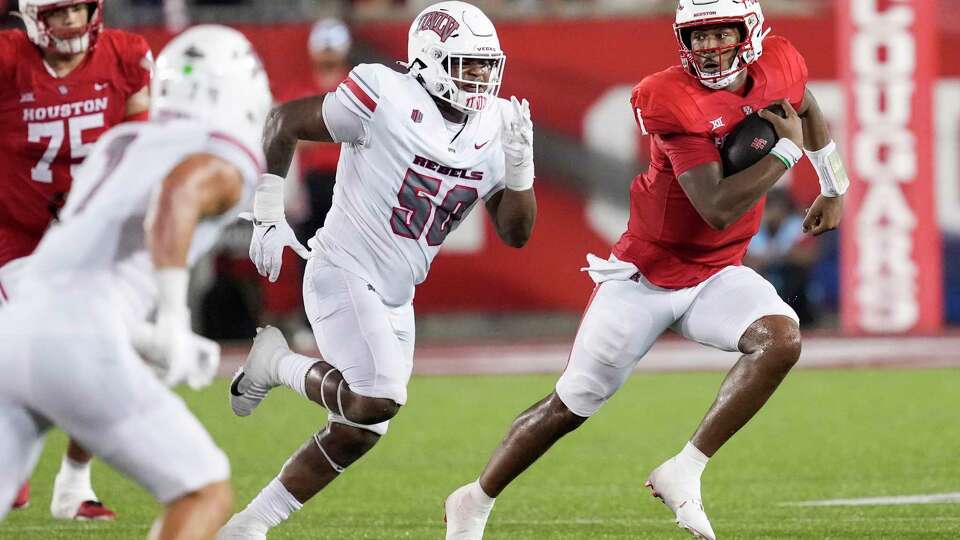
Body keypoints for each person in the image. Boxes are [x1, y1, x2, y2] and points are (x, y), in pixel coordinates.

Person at [444, 0, 848, 539]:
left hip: (717, 272)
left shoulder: (778, 62)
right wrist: (788, 157)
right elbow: (717, 206)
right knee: (572, 403)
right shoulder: (670, 96)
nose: (706, 47)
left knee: (781, 339)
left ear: (749, 31)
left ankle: (685, 469)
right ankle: (474, 499)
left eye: (718, 33)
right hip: (646, 278)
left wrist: (833, 184)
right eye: (696, 36)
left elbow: (808, 104)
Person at [217, 2, 537, 538]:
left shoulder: (500, 122)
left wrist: (521, 167)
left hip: (395, 291)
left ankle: (249, 525)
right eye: (468, 63)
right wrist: (268, 214)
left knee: (361, 430)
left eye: (487, 64)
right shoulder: (383, 93)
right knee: (376, 398)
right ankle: (276, 362)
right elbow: (282, 122)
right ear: (430, 60)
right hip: (341, 266)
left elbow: (516, 233)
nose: (483, 77)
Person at [0, 25, 272, 539]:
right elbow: (176, 195)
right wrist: (172, 318)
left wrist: (141, 335)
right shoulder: (223, 151)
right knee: (204, 489)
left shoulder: (120, 142)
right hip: (77, 339)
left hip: (15, 329)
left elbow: (82, 263)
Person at [0, 0, 151, 518]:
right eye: (60, 11)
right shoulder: (7, 58)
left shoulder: (126, 55)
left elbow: (141, 144)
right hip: (19, 232)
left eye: (80, 8)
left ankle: (73, 485)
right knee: (45, 348)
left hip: (91, 231)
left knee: (109, 350)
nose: (71, 21)